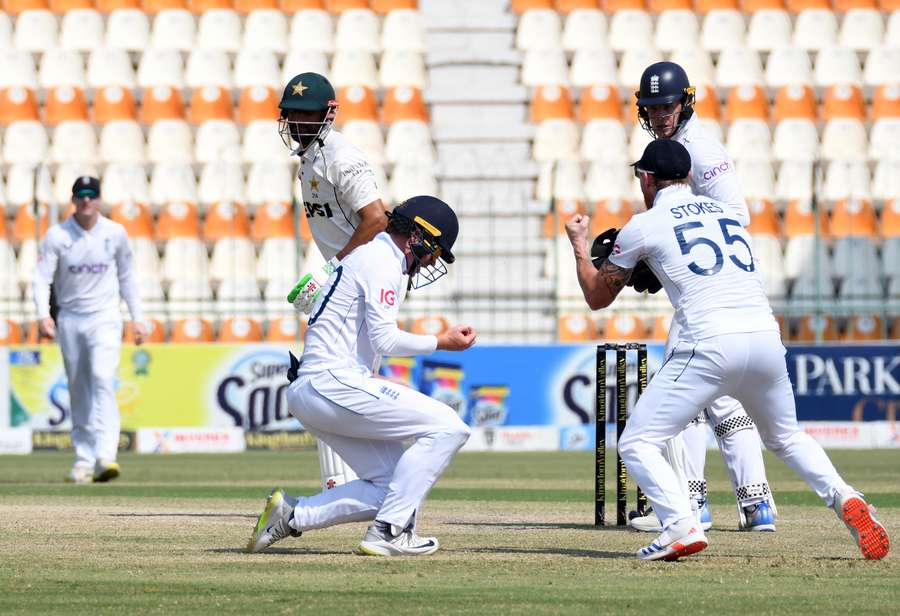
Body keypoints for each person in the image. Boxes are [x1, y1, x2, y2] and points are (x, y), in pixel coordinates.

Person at [566, 139, 889, 561]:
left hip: (709, 341)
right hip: (765, 338)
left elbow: (596, 296)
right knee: (787, 437)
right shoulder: (728, 215)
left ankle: (681, 524)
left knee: (638, 442)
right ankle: (845, 497)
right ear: (687, 176)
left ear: (647, 179)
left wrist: (579, 240)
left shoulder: (642, 224)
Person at [247, 196, 476, 556]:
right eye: (436, 250)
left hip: (319, 387)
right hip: (330, 382)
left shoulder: (376, 257)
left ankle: (292, 515)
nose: (432, 260)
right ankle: (389, 532)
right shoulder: (382, 260)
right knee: (449, 427)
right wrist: (441, 342)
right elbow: (386, 338)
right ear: (418, 236)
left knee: (391, 489)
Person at [627, 61, 776, 532]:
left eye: (667, 105)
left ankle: (692, 506)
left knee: (685, 396)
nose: (659, 115)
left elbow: (737, 214)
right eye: (651, 108)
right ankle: (757, 506)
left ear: (685, 101)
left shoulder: (700, 149)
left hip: (713, 287)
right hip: (710, 287)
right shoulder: (670, 147)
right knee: (724, 399)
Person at [278, 71, 389, 491]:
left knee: (326, 382)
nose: (299, 123)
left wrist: (332, 270)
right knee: (330, 382)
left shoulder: (344, 157)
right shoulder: (308, 161)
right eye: (293, 115)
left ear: (328, 114)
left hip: (360, 283)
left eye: (308, 115)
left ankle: (353, 484)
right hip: (346, 280)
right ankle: (353, 483)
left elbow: (377, 219)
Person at [32, 176, 147, 484]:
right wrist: (43, 315)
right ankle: (83, 459)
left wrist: (139, 319)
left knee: (101, 378)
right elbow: (41, 278)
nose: (86, 200)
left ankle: (105, 456)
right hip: (70, 317)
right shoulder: (58, 235)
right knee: (78, 385)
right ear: (74, 199)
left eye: (91, 195)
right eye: (81, 195)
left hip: (105, 317)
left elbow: (128, 277)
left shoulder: (115, 233)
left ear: (98, 199)